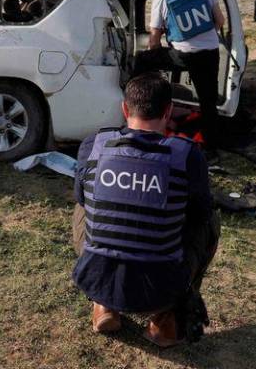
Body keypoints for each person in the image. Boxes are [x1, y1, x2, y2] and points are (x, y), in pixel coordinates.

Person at [71, 72, 220, 348]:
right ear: (169, 111)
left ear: (125, 109)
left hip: (96, 278)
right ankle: (164, 321)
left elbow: (81, 197)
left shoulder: (94, 145)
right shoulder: (187, 154)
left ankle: (104, 305)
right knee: (211, 220)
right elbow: (200, 214)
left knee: (83, 205)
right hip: (161, 288)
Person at [134, 0, 226, 161]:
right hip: (211, 52)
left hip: (183, 56)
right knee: (208, 100)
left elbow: (155, 40)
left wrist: (153, 54)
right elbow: (220, 21)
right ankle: (211, 149)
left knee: (142, 61)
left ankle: (142, 104)